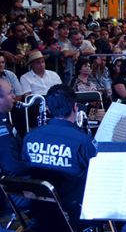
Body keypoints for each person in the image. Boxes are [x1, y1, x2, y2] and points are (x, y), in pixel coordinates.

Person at [22, 84, 97, 216]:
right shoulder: (83, 141)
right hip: (73, 213)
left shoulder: (29, 137)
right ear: (75, 107)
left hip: (37, 212)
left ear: (48, 109)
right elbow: (96, 176)